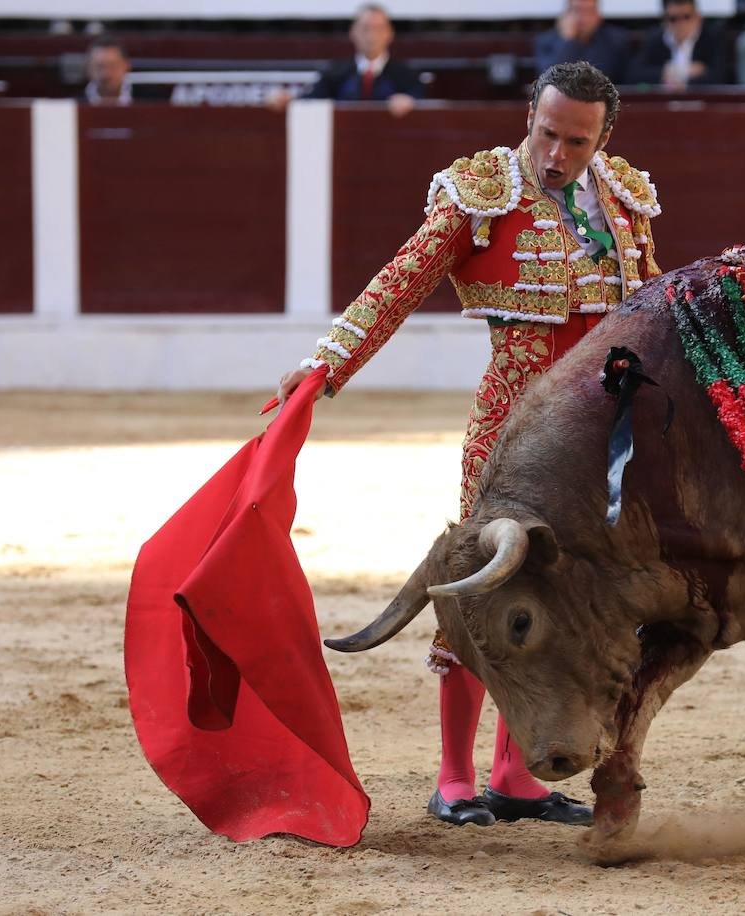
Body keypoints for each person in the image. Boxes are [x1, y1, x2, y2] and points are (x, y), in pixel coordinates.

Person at [274, 62, 661, 828]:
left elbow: (647, 302)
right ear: (530, 115)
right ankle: (453, 778)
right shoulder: (483, 191)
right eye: (546, 132)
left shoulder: (623, 196)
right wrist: (327, 365)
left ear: (603, 138)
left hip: (605, 437)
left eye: (576, 141)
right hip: (512, 434)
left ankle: (517, 778)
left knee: (578, 596)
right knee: (486, 587)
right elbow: (400, 282)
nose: (556, 153)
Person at [271, 4, 423, 117]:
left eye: (378, 29)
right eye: (365, 29)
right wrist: (288, 100)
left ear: (389, 33)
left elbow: (424, 102)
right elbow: (312, 100)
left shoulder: (407, 74)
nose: (371, 36)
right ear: (353, 32)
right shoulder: (335, 72)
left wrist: (410, 102)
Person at [627, 0, 730, 89]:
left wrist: (684, 84)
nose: (681, 24)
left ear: (698, 18)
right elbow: (634, 74)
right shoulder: (654, 39)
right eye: (673, 18)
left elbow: (720, 77)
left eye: (686, 17)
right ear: (664, 20)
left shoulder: (713, 38)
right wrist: (669, 71)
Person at [535, 0, 630, 84]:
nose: (582, 18)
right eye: (577, 10)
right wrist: (568, 41)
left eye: (589, 11)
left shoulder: (615, 40)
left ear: (598, 15)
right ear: (566, 14)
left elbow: (607, 75)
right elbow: (551, 79)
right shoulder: (545, 41)